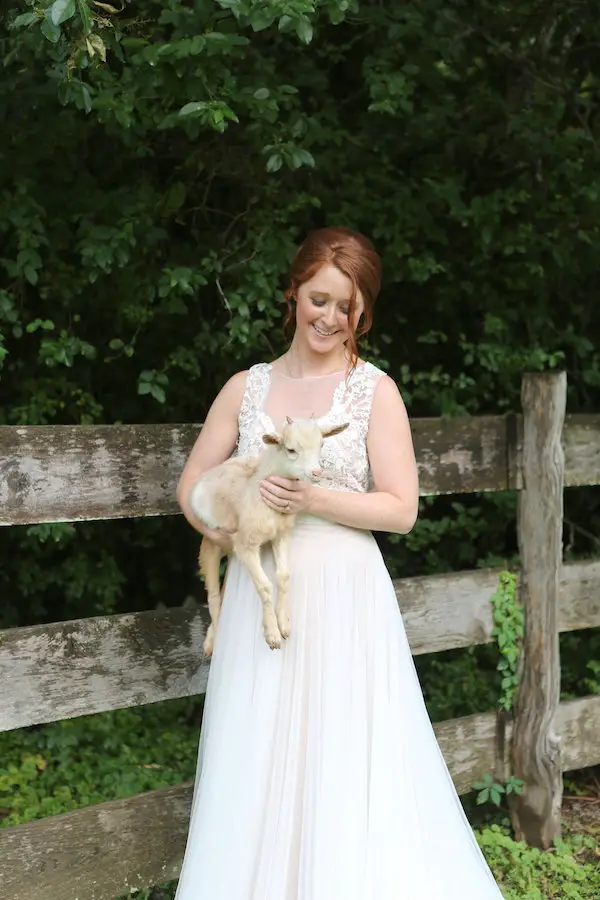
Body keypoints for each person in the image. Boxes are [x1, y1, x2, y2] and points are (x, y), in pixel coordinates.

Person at [175, 227, 505, 899]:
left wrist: (312, 495)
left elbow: (400, 508)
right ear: (292, 292)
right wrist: (228, 519)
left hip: (345, 597)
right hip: (262, 597)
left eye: (345, 307)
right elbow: (192, 486)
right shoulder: (248, 387)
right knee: (256, 756)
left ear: (362, 314)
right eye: (318, 299)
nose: (329, 318)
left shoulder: (373, 392)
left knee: (346, 759)